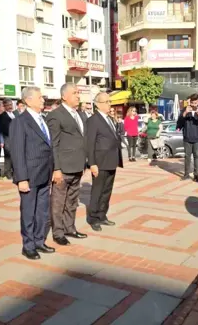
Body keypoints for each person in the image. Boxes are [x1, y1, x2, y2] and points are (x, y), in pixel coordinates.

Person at [10, 87, 55, 260]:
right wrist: (22, 178)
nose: (43, 100)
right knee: (28, 212)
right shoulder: (20, 122)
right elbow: (17, 152)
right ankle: (28, 246)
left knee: (42, 211)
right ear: (28, 100)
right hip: (29, 175)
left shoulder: (42, 120)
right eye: (40, 98)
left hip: (45, 173)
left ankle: (39, 241)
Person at [46, 83, 88, 246]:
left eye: (78, 93)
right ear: (64, 96)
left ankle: (70, 228)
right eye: (75, 93)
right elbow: (53, 144)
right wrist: (56, 169)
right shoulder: (56, 115)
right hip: (63, 168)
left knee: (72, 201)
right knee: (58, 202)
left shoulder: (79, 114)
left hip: (77, 165)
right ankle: (58, 232)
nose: (78, 95)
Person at [86, 93, 123, 231]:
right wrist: (92, 163)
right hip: (100, 162)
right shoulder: (93, 120)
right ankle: (93, 218)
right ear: (98, 104)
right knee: (98, 190)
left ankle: (102, 215)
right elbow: (90, 144)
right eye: (106, 101)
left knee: (107, 190)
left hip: (111, 160)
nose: (109, 104)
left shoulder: (109, 119)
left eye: (109, 101)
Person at [177, 94, 198, 181]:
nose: (194, 105)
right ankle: (186, 174)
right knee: (187, 156)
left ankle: (196, 174)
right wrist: (185, 112)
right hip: (187, 136)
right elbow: (179, 122)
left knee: (197, 156)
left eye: (195, 103)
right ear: (190, 101)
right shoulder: (185, 109)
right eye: (192, 103)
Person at [0, 99, 16, 180]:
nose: (10, 106)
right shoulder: (3, 116)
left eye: (11, 104)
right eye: (8, 105)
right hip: (8, 138)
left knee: (15, 155)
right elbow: (5, 128)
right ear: (5, 106)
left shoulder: (14, 114)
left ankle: (14, 171)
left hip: (15, 138)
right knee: (8, 156)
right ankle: (8, 173)